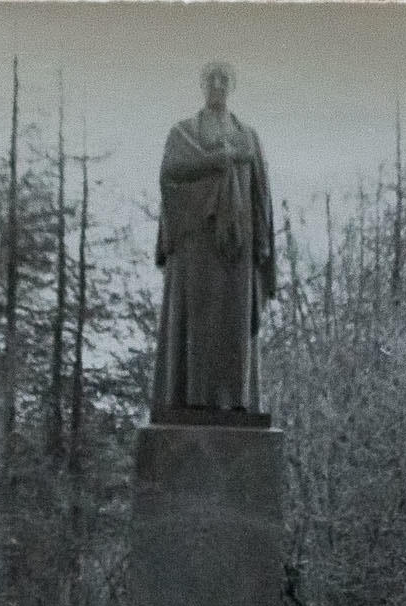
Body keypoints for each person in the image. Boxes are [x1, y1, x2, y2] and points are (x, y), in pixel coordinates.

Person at [152, 60, 276, 414]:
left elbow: (260, 193)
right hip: (194, 245)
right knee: (192, 327)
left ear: (232, 87)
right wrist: (218, 160)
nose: (218, 84)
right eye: (211, 78)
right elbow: (170, 176)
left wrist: (262, 242)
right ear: (202, 85)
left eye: (225, 79)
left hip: (237, 247)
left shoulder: (248, 137)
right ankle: (187, 400)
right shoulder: (183, 133)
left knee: (233, 331)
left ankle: (233, 404)